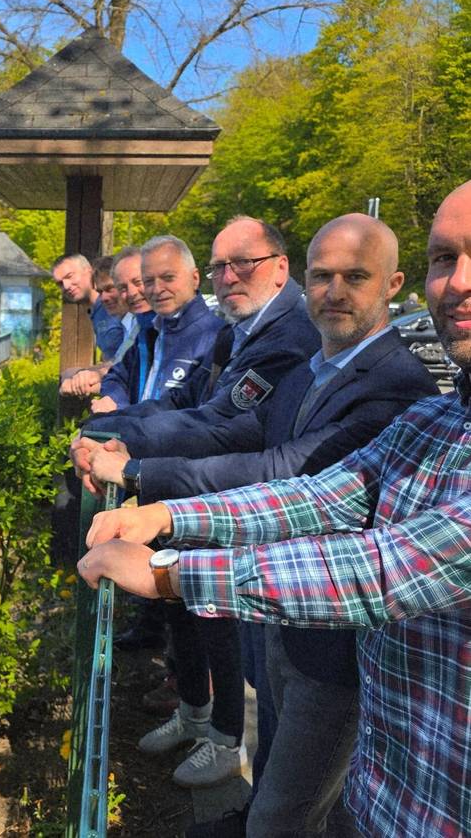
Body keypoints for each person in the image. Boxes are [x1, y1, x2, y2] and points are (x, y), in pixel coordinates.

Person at [78, 183, 471, 838]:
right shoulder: (440, 415)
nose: (458, 283)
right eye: (444, 257)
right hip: (388, 786)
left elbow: (384, 567)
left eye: (354, 276)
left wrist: (169, 570)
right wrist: (166, 518)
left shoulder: (400, 382)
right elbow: (322, 491)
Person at [76, 216, 320, 462]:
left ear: (281, 267)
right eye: (218, 267)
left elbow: (218, 421)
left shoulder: (288, 339)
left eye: (244, 262)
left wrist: (111, 435)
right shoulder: (232, 333)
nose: (228, 278)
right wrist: (104, 424)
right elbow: (183, 398)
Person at [92, 235, 223, 413]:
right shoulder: (153, 332)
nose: (157, 289)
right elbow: (118, 376)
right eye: (149, 282)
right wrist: (115, 402)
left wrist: (122, 421)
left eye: (168, 278)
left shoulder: (217, 338)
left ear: (195, 278)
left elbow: (193, 418)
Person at [61, 253, 139, 398]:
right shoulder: (130, 323)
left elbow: (123, 370)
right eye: (99, 291)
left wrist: (87, 378)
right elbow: (118, 365)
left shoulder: (143, 323)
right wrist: (83, 377)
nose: (103, 298)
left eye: (110, 289)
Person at [52, 252, 125, 361]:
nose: (66, 286)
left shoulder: (113, 305)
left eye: (70, 276)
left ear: (88, 270)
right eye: (60, 284)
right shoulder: (96, 311)